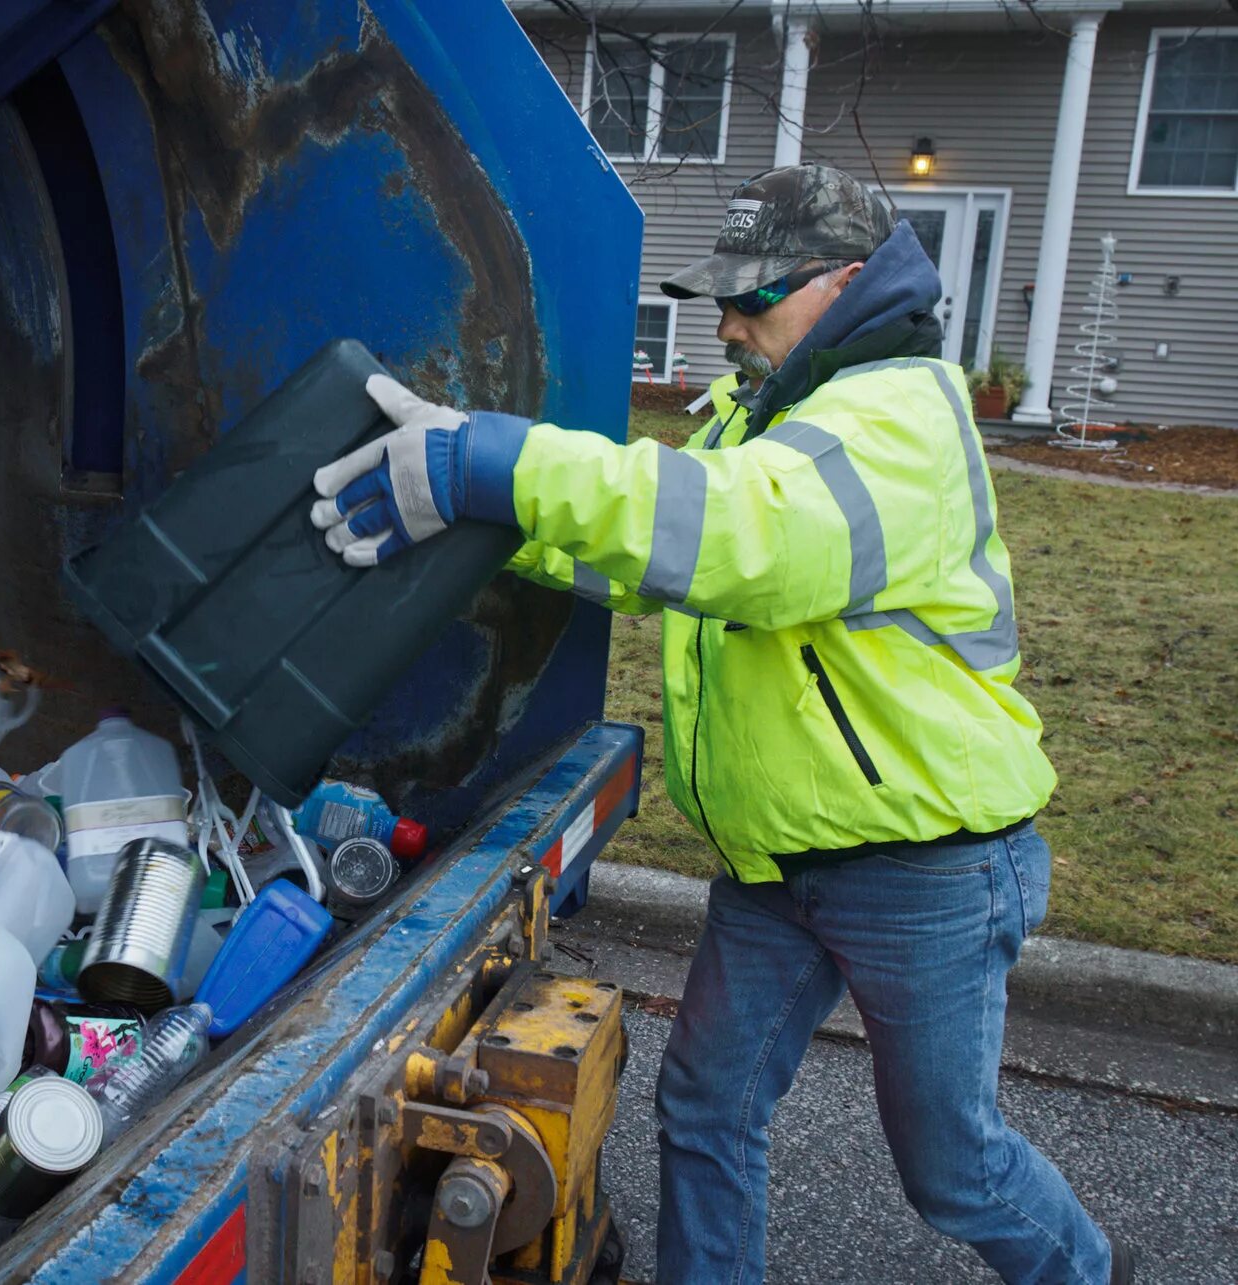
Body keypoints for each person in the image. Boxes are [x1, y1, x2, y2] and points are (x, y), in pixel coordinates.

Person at [309, 164, 1128, 1285]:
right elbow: (656, 564)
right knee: (703, 1108)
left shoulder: (898, 417)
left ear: (849, 282)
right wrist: (486, 528)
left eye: (756, 296)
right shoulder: (778, 404)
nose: (730, 322)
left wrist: (490, 460)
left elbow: (737, 538)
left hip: (922, 869)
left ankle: (1087, 1271)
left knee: (952, 1168)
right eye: (721, 299)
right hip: (781, 859)